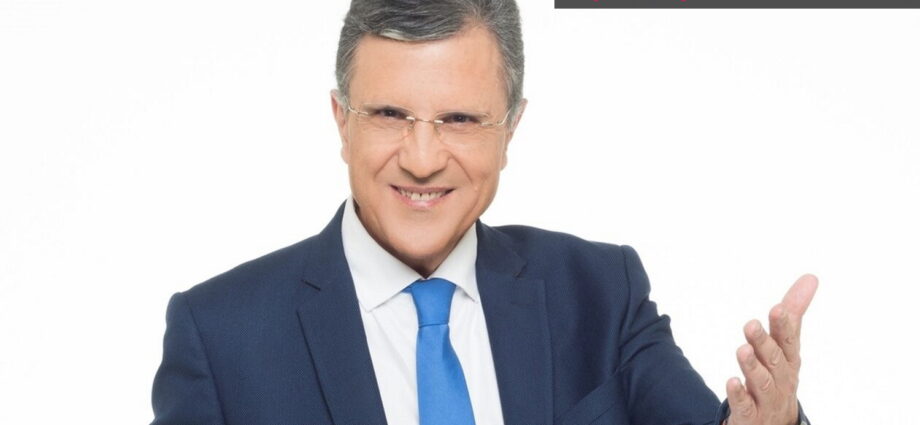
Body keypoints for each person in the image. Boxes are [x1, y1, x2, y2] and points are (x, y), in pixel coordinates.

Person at [151, 1, 818, 424]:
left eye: (460, 120)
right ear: (341, 121)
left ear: (510, 129)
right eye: (389, 114)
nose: (421, 159)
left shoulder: (600, 293)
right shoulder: (220, 335)